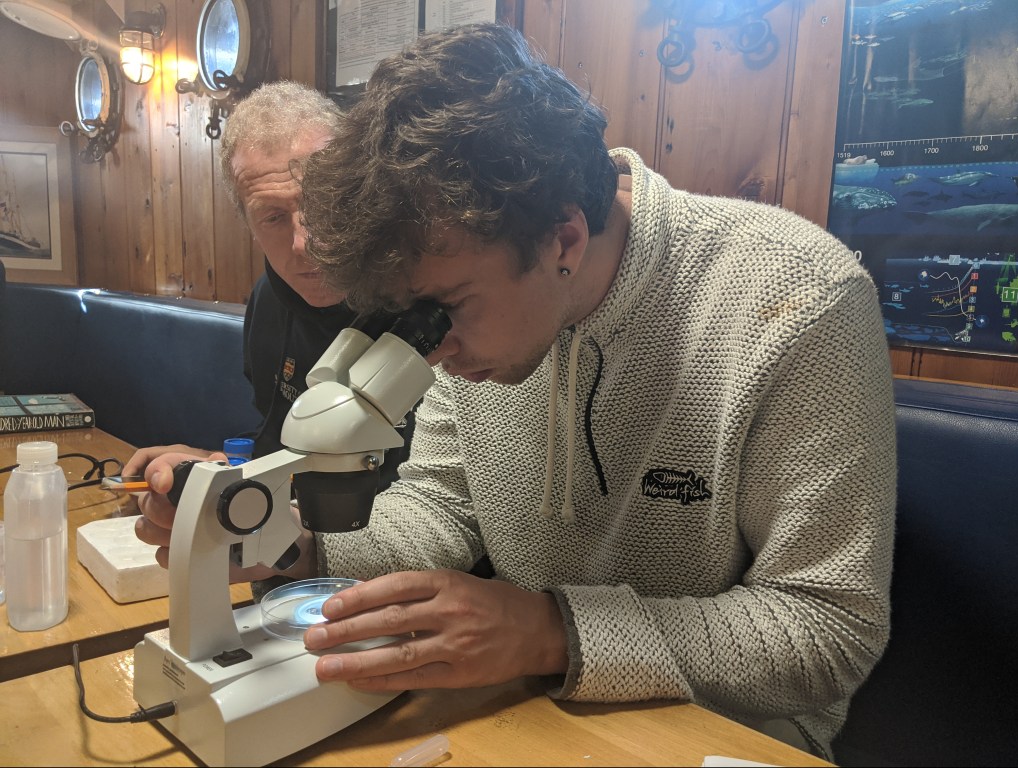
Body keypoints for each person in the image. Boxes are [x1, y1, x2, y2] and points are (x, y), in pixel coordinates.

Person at [136, 23, 897, 761]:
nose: (437, 351)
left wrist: (549, 631)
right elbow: (439, 507)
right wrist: (290, 544)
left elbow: (828, 628)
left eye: (449, 309)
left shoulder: (797, 298)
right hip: (528, 704)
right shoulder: (466, 297)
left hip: (721, 736)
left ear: (563, 239)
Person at [123, 80, 414, 485]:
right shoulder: (269, 301)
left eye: (322, 202)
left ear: (356, 190)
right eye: (273, 217)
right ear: (248, 226)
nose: (304, 243)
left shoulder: (423, 299)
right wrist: (217, 464)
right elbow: (286, 449)